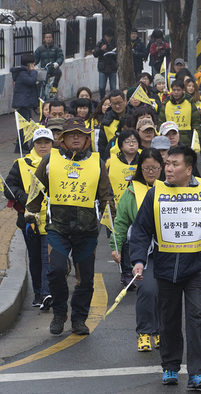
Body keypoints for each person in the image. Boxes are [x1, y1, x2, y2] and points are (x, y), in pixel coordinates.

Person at [130, 145, 201, 389]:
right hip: (165, 268)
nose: (168, 169)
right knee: (169, 319)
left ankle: (197, 373)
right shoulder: (156, 193)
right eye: (168, 163)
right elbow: (141, 229)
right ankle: (171, 367)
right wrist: (139, 260)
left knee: (196, 318)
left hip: (197, 269)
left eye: (175, 164)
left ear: (189, 169)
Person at [27, 117, 114, 336]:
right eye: (71, 134)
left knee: (85, 278)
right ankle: (59, 313)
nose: (76, 137)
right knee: (56, 271)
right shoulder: (49, 160)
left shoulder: (97, 162)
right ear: (62, 138)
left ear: (86, 137)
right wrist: (30, 211)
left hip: (87, 231)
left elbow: (106, 196)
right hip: (57, 228)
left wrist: (113, 222)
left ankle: (78, 319)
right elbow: (36, 188)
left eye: (80, 134)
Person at [111, 148, 165, 351]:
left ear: (162, 167)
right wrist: (115, 246)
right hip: (142, 250)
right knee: (147, 289)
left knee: (164, 292)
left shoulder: (172, 188)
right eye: (146, 168)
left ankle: (160, 331)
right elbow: (122, 220)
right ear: (139, 169)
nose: (151, 172)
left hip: (168, 250)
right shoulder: (131, 191)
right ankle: (144, 332)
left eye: (155, 168)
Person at [5, 128, 54, 310]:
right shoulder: (21, 163)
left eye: (46, 142)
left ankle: (47, 293)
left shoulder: (59, 162)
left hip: (52, 220)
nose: (43, 146)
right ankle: (38, 293)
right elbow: (8, 187)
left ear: (52, 144)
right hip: (29, 220)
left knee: (47, 257)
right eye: (39, 143)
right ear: (33, 144)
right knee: (35, 258)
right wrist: (24, 197)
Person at [159, 80, 201, 148]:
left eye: (178, 90)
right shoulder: (166, 104)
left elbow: (196, 122)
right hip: (169, 141)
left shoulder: (190, 103)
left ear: (183, 90)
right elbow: (161, 122)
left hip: (187, 141)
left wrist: (196, 137)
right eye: (174, 90)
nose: (176, 92)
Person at [99, 90, 129, 160]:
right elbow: (102, 146)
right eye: (114, 104)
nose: (117, 106)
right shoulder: (106, 121)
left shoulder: (133, 117)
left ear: (125, 101)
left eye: (119, 103)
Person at [93, 27, 118, 99]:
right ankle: (102, 99)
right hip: (103, 68)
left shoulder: (115, 43)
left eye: (110, 37)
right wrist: (101, 49)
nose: (108, 38)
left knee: (113, 87)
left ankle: (112, 99)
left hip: (113, 67)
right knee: (101, 86)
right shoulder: (101, 43)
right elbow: (95, 54)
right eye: (107, 37)